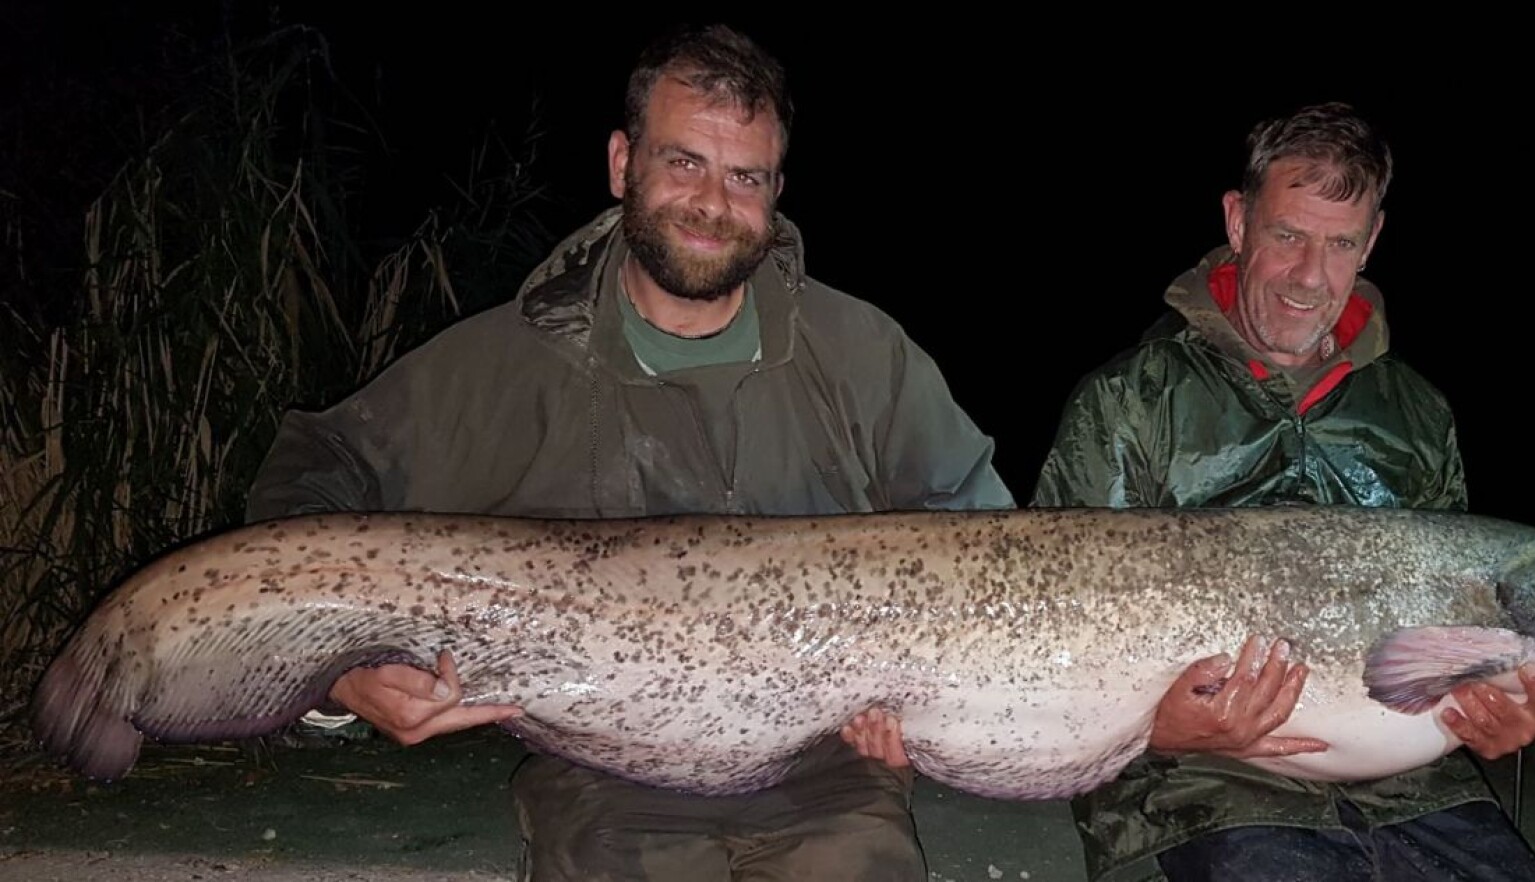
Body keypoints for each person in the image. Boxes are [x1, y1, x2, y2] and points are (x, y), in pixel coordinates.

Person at [243, 22, 1014, 882]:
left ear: (776, 192)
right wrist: (340, 672)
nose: (713, 202)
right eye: (684, 162)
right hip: (604, 773)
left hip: (828, 767)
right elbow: (318, 466)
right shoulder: (510, 363)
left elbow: (992, 553)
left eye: (745, 177)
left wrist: (935, 708)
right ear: (622, 164)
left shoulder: (862, 354)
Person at [845, 101, 1535, 881]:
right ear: (1238, 222)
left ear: (1373, 240)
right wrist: (1161, 729)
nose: (1309, 276)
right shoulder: (1130, 401)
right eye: (1287, 235)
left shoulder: (1419, 416)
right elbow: (1047, 638)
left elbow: (1456, 635)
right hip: (1191, 789)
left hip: (1412, 788)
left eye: (1340, 244)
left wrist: (1508, 710)